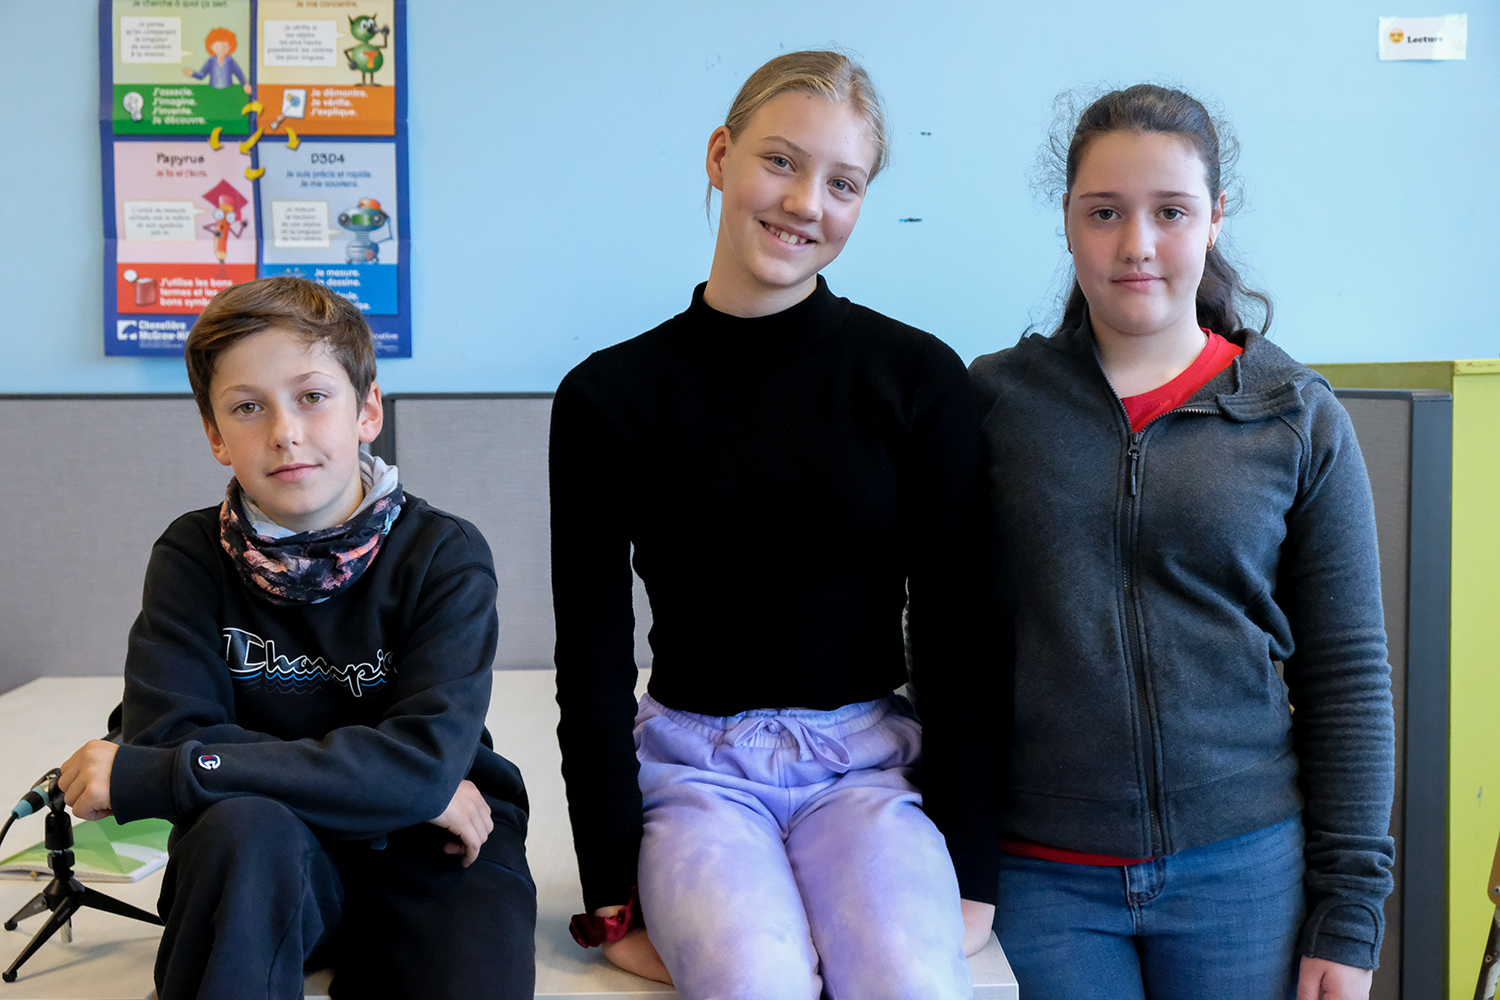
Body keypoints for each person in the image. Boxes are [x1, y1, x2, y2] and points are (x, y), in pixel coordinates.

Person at [550, 49, 998, 1000]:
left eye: (843, 182)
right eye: (780, 162)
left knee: (912, 979)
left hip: (868, 768)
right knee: (754, 976)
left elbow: (959, 633)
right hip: (695, 775)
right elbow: (590, 658)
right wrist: (609, 885)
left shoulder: (917, 380)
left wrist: (975, 869)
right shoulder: (609, 397)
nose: (805, 203)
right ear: (721, 156)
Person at [968, 84, 1395, 1000]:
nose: (1137, 245)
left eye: (1171, 211)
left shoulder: (1294, 416)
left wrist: (1350, 915)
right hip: (1041, 880)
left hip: (1243, 874)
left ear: (1214, 219)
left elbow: (1347, 675)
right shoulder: (994, 406)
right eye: (1104, 213)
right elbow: (948, 645)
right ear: (1069, 223)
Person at [56, 276, 536, 1000]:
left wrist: (167, 771)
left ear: (367, 409)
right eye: (248, 407)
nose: (284, 431)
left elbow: (424, 767)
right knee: (244, 830)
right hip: (264, 841)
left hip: (437, 837)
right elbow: (170, 731)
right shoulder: (191, 556)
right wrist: (398, 782)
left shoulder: (444, 554)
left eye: (313, 396)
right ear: (217, 436)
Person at [183, 27, 250, 94]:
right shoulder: (211, 61)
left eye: (224, 47)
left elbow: (239, 73)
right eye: (217, 47)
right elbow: (202, 75)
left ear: (231, 46)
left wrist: (245, 84)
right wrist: (192, 73)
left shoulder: (230, 61)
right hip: (213, 90)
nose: (221, 49)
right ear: (211, 46)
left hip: (228, 90)